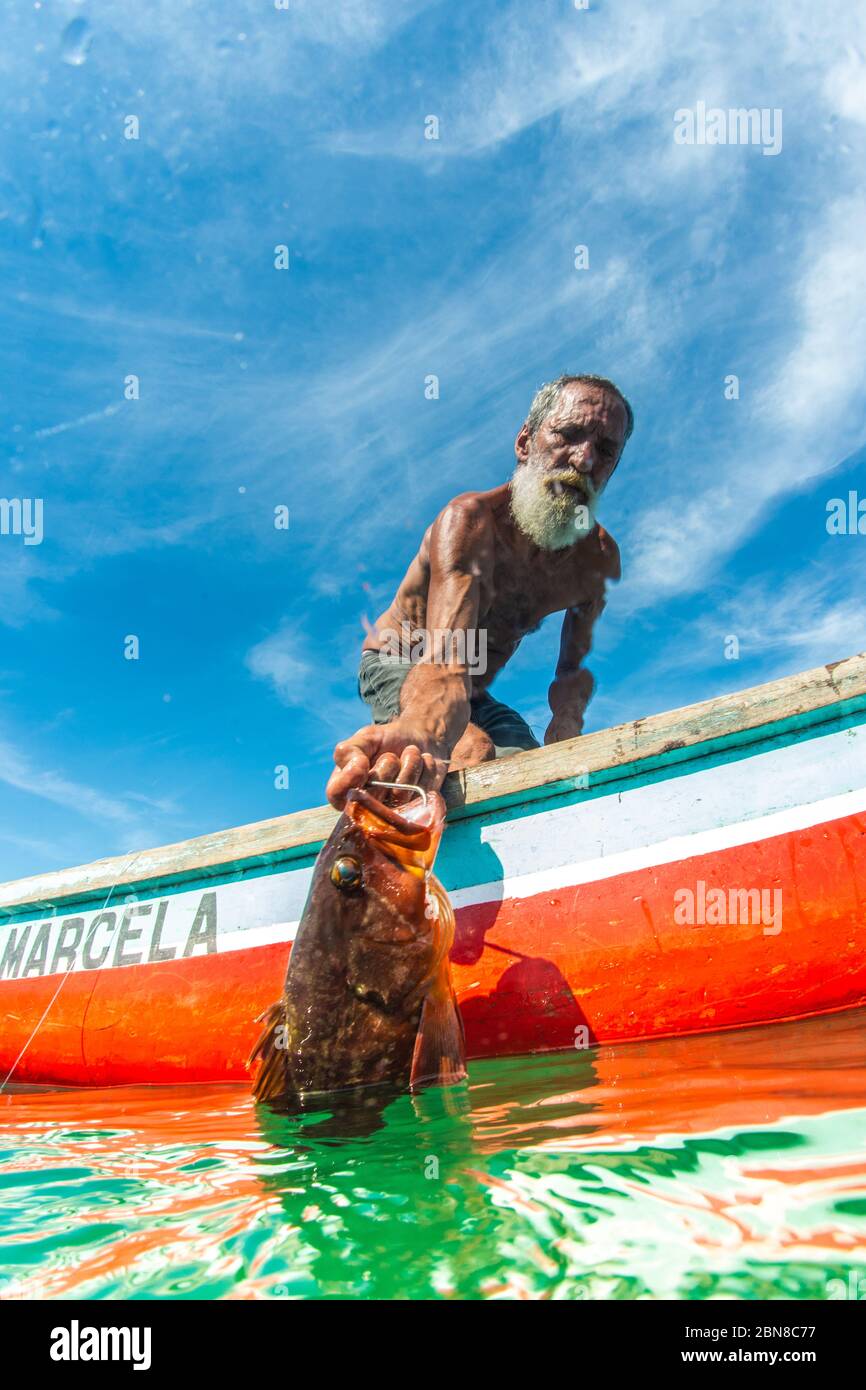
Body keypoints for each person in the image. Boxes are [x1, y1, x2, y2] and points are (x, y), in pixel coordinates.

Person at [326, 374, 632, 810]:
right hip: (402, 657)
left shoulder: (596, 561)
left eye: (605, 451)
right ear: (525, 443)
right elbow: (447, 662)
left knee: (524, 766)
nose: (583, 460)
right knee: (471, 752)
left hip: (468, 687)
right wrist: (425, 730)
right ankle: (391, 831)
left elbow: (571, 672)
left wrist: (568, 725)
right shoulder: (469, 522)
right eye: (567, 435)